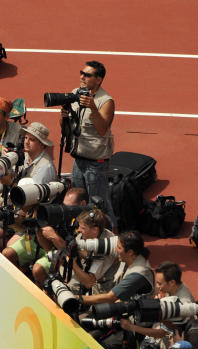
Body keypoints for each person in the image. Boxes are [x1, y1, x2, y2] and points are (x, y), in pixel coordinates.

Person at [0, 122, 58, 250]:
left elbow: (30, 202)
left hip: (32, 218)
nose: (26, 142)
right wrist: (7, 161)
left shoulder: (45, 167)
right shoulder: (26, 155)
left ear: (42, 144)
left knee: (9, 247)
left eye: (32, 140)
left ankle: (18, 262)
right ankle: (13, 259)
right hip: (17, 209)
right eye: (26, 138)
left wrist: (10, 183)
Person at [61, 61, 117, 227]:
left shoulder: (105, 101)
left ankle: (113, 238)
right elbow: (67, 128)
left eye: (87, 75)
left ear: (98, 80)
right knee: (80, 201)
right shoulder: (75, 94)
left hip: (96, 164)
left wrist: (93, 108)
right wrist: (63, 116)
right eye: (81, 73)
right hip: (78, 159)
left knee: (101, 204)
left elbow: (102, 129)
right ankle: (85, 232)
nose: (82, 77)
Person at [77, 230, 154, 306]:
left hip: (135, 315)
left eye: (119, 248)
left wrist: (75, 298)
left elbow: (110, 297)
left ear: (130, 252)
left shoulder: (137, 274)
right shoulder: (132, 255)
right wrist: (76, 245)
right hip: (125, 306)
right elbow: (95, 245)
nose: (115, 250)